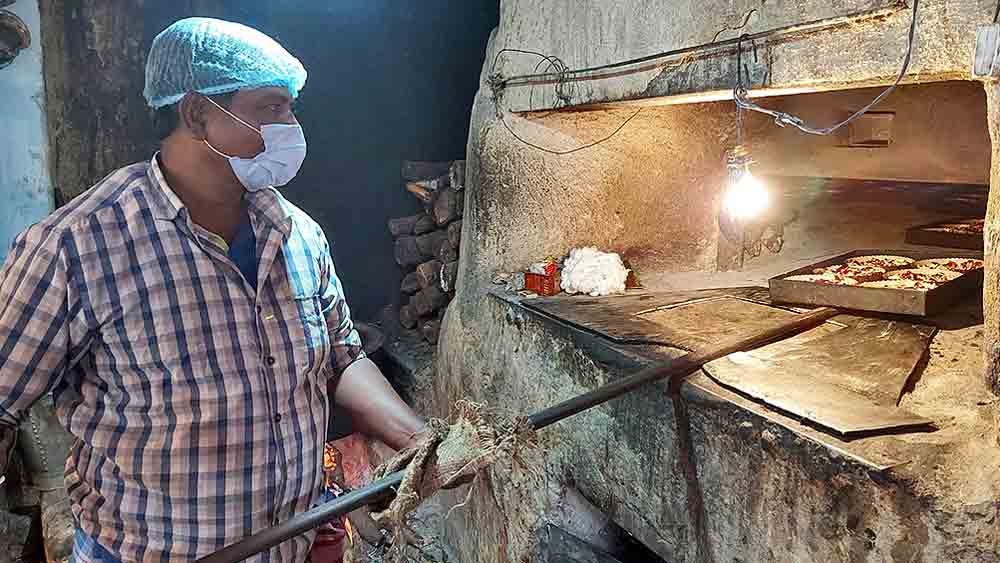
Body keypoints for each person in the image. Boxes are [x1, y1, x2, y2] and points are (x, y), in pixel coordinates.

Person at [0, 17, 428, 562]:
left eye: (290, 108)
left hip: (288, 547)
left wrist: (424, 442)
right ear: (198, 114)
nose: (292, 126)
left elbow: (343, 359)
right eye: (272, 108)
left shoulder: (296, 234)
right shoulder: (76, 246)